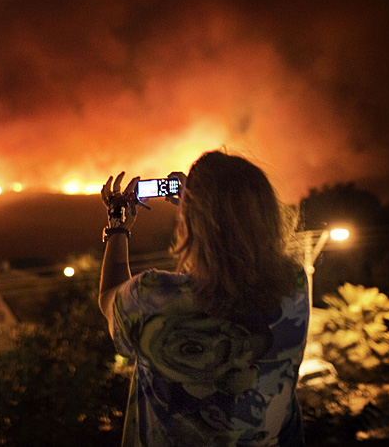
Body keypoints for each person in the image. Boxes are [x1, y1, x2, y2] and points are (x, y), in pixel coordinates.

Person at [100, 150, 308, 446]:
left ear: (192, 222)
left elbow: (109, 298)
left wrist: (117, 226)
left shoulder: (151, 296)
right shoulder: (294, 285)